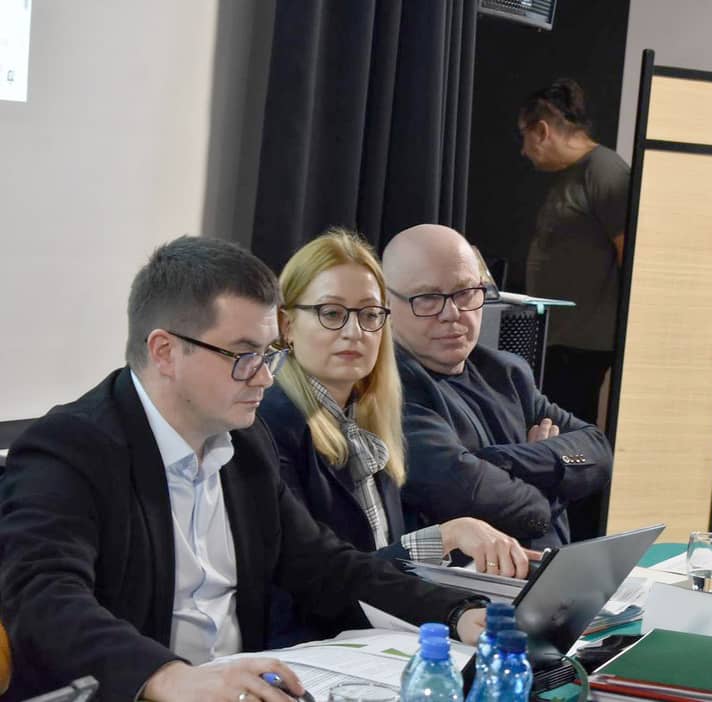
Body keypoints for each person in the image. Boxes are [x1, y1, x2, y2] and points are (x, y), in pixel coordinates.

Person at [0, 237, 486, 701]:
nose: (265, 376)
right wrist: (169, 678)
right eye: (244, 355)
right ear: (165, 352)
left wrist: (456, 613)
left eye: (269, 352)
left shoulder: (246, 441)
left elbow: (327, 566)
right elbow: (43, 598)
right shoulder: (70, 448)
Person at [258, 230, 532, 600]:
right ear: (287, 325)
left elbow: (380, 567)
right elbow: (325, 581)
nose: (355, 332)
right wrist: (447, 536)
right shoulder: (268, 424)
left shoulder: (369, 416)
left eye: (370, 314)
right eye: (332, 313)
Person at [382, 224, 613, 550]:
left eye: (465, 293)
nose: (452, 314)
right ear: (386, 304)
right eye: (428, 298)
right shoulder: (388, 390)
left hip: (553, 572)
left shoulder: (506, 372)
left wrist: (498, 460)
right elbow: (494, 504)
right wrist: (553, 479)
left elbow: (598, 451)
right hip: (468, 580)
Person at [518, 78, 630, 539]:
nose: (523, 150)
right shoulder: (573, 176)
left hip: (589, 349)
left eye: (524, 136)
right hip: (564, 344)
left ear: (542, 130)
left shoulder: (604, 170)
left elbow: (629, 255)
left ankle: (578, 540)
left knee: (578, 453)